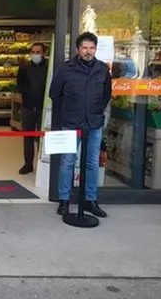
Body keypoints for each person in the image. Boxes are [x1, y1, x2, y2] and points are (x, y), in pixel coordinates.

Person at [49, 32, 111, 218]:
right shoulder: (66, 69)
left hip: (94, 123)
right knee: (68, 162)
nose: (88, 51)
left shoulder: (101, 69)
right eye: (84, 48)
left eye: (92, 48)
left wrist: (96, 110)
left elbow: (106, 93)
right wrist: (69, 110)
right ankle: (64, 200)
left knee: (92, 163)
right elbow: (54, 93)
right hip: (70, 123)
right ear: (77, 49)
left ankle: (90, 200)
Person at [16, 42, 48, 175]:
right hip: (28, 106)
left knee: (43, 137)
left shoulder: (49, 67)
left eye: (38, 52)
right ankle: (28, 164)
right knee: (27, 136)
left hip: (43, 107)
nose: (35, 54)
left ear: (44, 53)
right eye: (33, 52)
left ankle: (43, 164)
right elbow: (19, 85)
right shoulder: (24, 67)